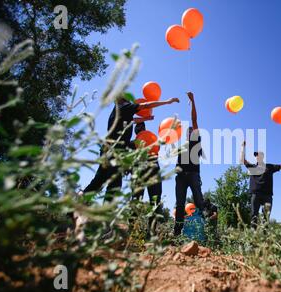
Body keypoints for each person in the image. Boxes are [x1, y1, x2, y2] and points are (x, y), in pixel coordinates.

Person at [81, 95, 179, 201]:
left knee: (98, 182)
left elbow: (132, 120)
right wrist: (167, 101)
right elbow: (146, 105)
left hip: (106, 150)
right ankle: (104, 215)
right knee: (114, 186)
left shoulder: (118, 110)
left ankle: (76, 204)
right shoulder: (125, 106)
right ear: (123, 99)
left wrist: (146, 118)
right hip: (115, 152)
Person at [240, 141, 281, 229]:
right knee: (254, 215)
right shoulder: (252, 167)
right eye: (256, 155)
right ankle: (253, 236)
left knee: (266, 218)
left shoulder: (269, 167)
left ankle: (265, 237)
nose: (257, 157)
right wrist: (243, 147)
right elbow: (243, 160)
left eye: (258, 155)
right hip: (256, 195)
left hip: (267, 195)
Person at [174, 92, 204, 236]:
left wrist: (193, 101)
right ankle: (177, 232)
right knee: (179, 204)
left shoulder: (196, 141)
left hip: (193, 175)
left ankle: (202, 231)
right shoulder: (181, 146)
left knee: (199, 201)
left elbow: (194, 119)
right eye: (189, 131)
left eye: (192, 130)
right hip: (180, 177)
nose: (191, 131)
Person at [132, 116, 163, 238]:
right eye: (140, 126)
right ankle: (145, 233)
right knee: (150, 200)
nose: (140, 128)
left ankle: (139, 232)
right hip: (149, 169)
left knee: (142, 200)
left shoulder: (143, 139)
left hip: (146, 170)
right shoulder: (150, 137)